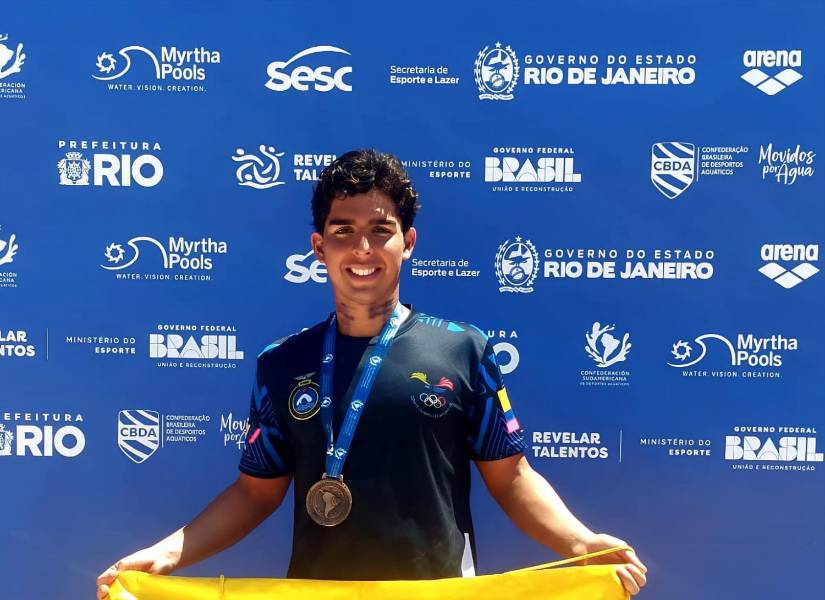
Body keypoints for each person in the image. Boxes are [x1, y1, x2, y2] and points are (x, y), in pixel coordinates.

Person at [97, 149, 647, 598]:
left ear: (407, 242)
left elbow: (513, 477)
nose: (361, 248)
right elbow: (253, 493)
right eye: (343, 230)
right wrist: (167, 551)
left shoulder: (463, 350)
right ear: (319, 247)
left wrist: (581, 544)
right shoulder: (282, 363)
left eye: (380, 230)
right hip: (319, 596)